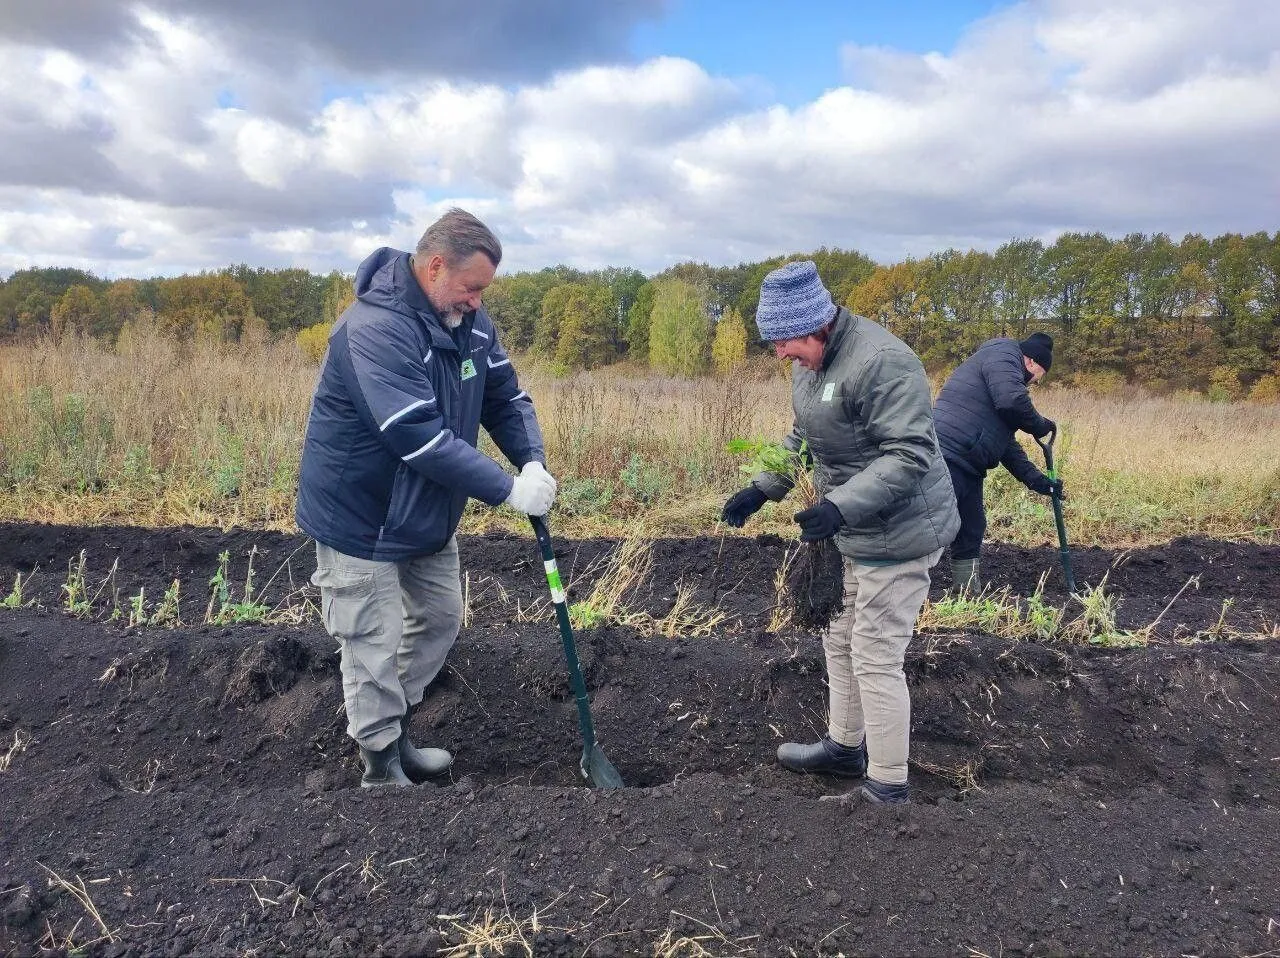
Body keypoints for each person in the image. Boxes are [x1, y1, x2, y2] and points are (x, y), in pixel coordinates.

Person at [296, 209, 557, 788]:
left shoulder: (471, 323)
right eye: (472, 288)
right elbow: (420, 437)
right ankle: (381, 764)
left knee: (440, 617)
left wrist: (530, 459)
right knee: (372, 636)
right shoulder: (374, 330)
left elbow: (506, 398)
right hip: (361, 514)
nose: (477, 302)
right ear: (435, 266)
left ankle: (396, 726)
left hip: (425, 510)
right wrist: (508, 489)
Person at [721, 261, 959, 805]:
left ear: (816, 324)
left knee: (875, 651)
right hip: (854, 528)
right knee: (838, 633)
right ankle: (845, 748)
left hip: (900, 532)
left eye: (784, 342)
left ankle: (888, 785)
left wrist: (838, 507)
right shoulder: (810, 368)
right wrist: (763, 487)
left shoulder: (883, 362)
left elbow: (911, 454)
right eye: (774, 344)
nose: (779, 354)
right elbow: (803, 436)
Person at [932, 333, 1059, 592]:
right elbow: (1012, 400)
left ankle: (966, 592)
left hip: (969, 463)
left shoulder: (1002, 384)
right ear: (1033, 363)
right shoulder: (1002, 354)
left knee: (972, 525)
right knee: (931, 525)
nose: (1033, 384)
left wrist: (1039, 482)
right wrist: (1039, 424)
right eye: (1038, 378)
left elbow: (1006, 446)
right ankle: (902, 589)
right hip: (947, 454)